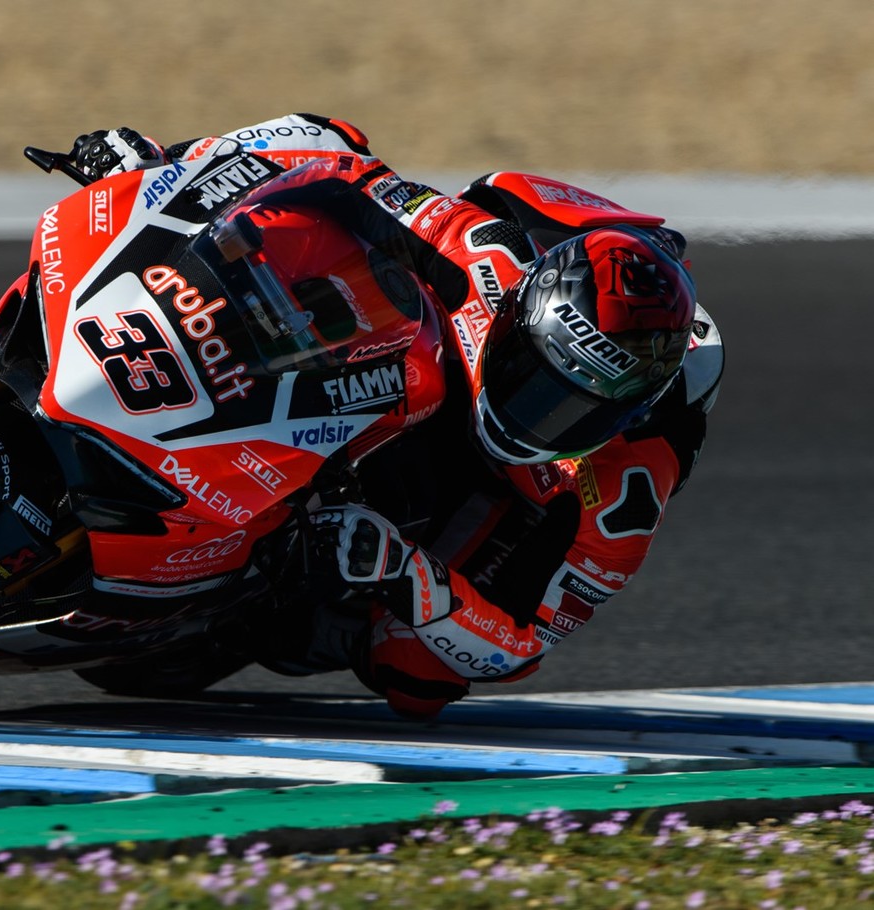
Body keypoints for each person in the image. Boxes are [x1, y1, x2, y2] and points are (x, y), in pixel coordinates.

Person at [65, 114, 723, 719]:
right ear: (520, 318)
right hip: (425, 349)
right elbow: (339, 164)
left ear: (624, 411)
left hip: (478, 503)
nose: (539, 415)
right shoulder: (483, 259)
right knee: (327, 145)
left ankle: (289, 580)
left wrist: (408, 575)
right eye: (534, 380)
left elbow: (522, 644)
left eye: (570, 409)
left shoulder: (621, 492)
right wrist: (169, 169)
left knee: (414, 676)